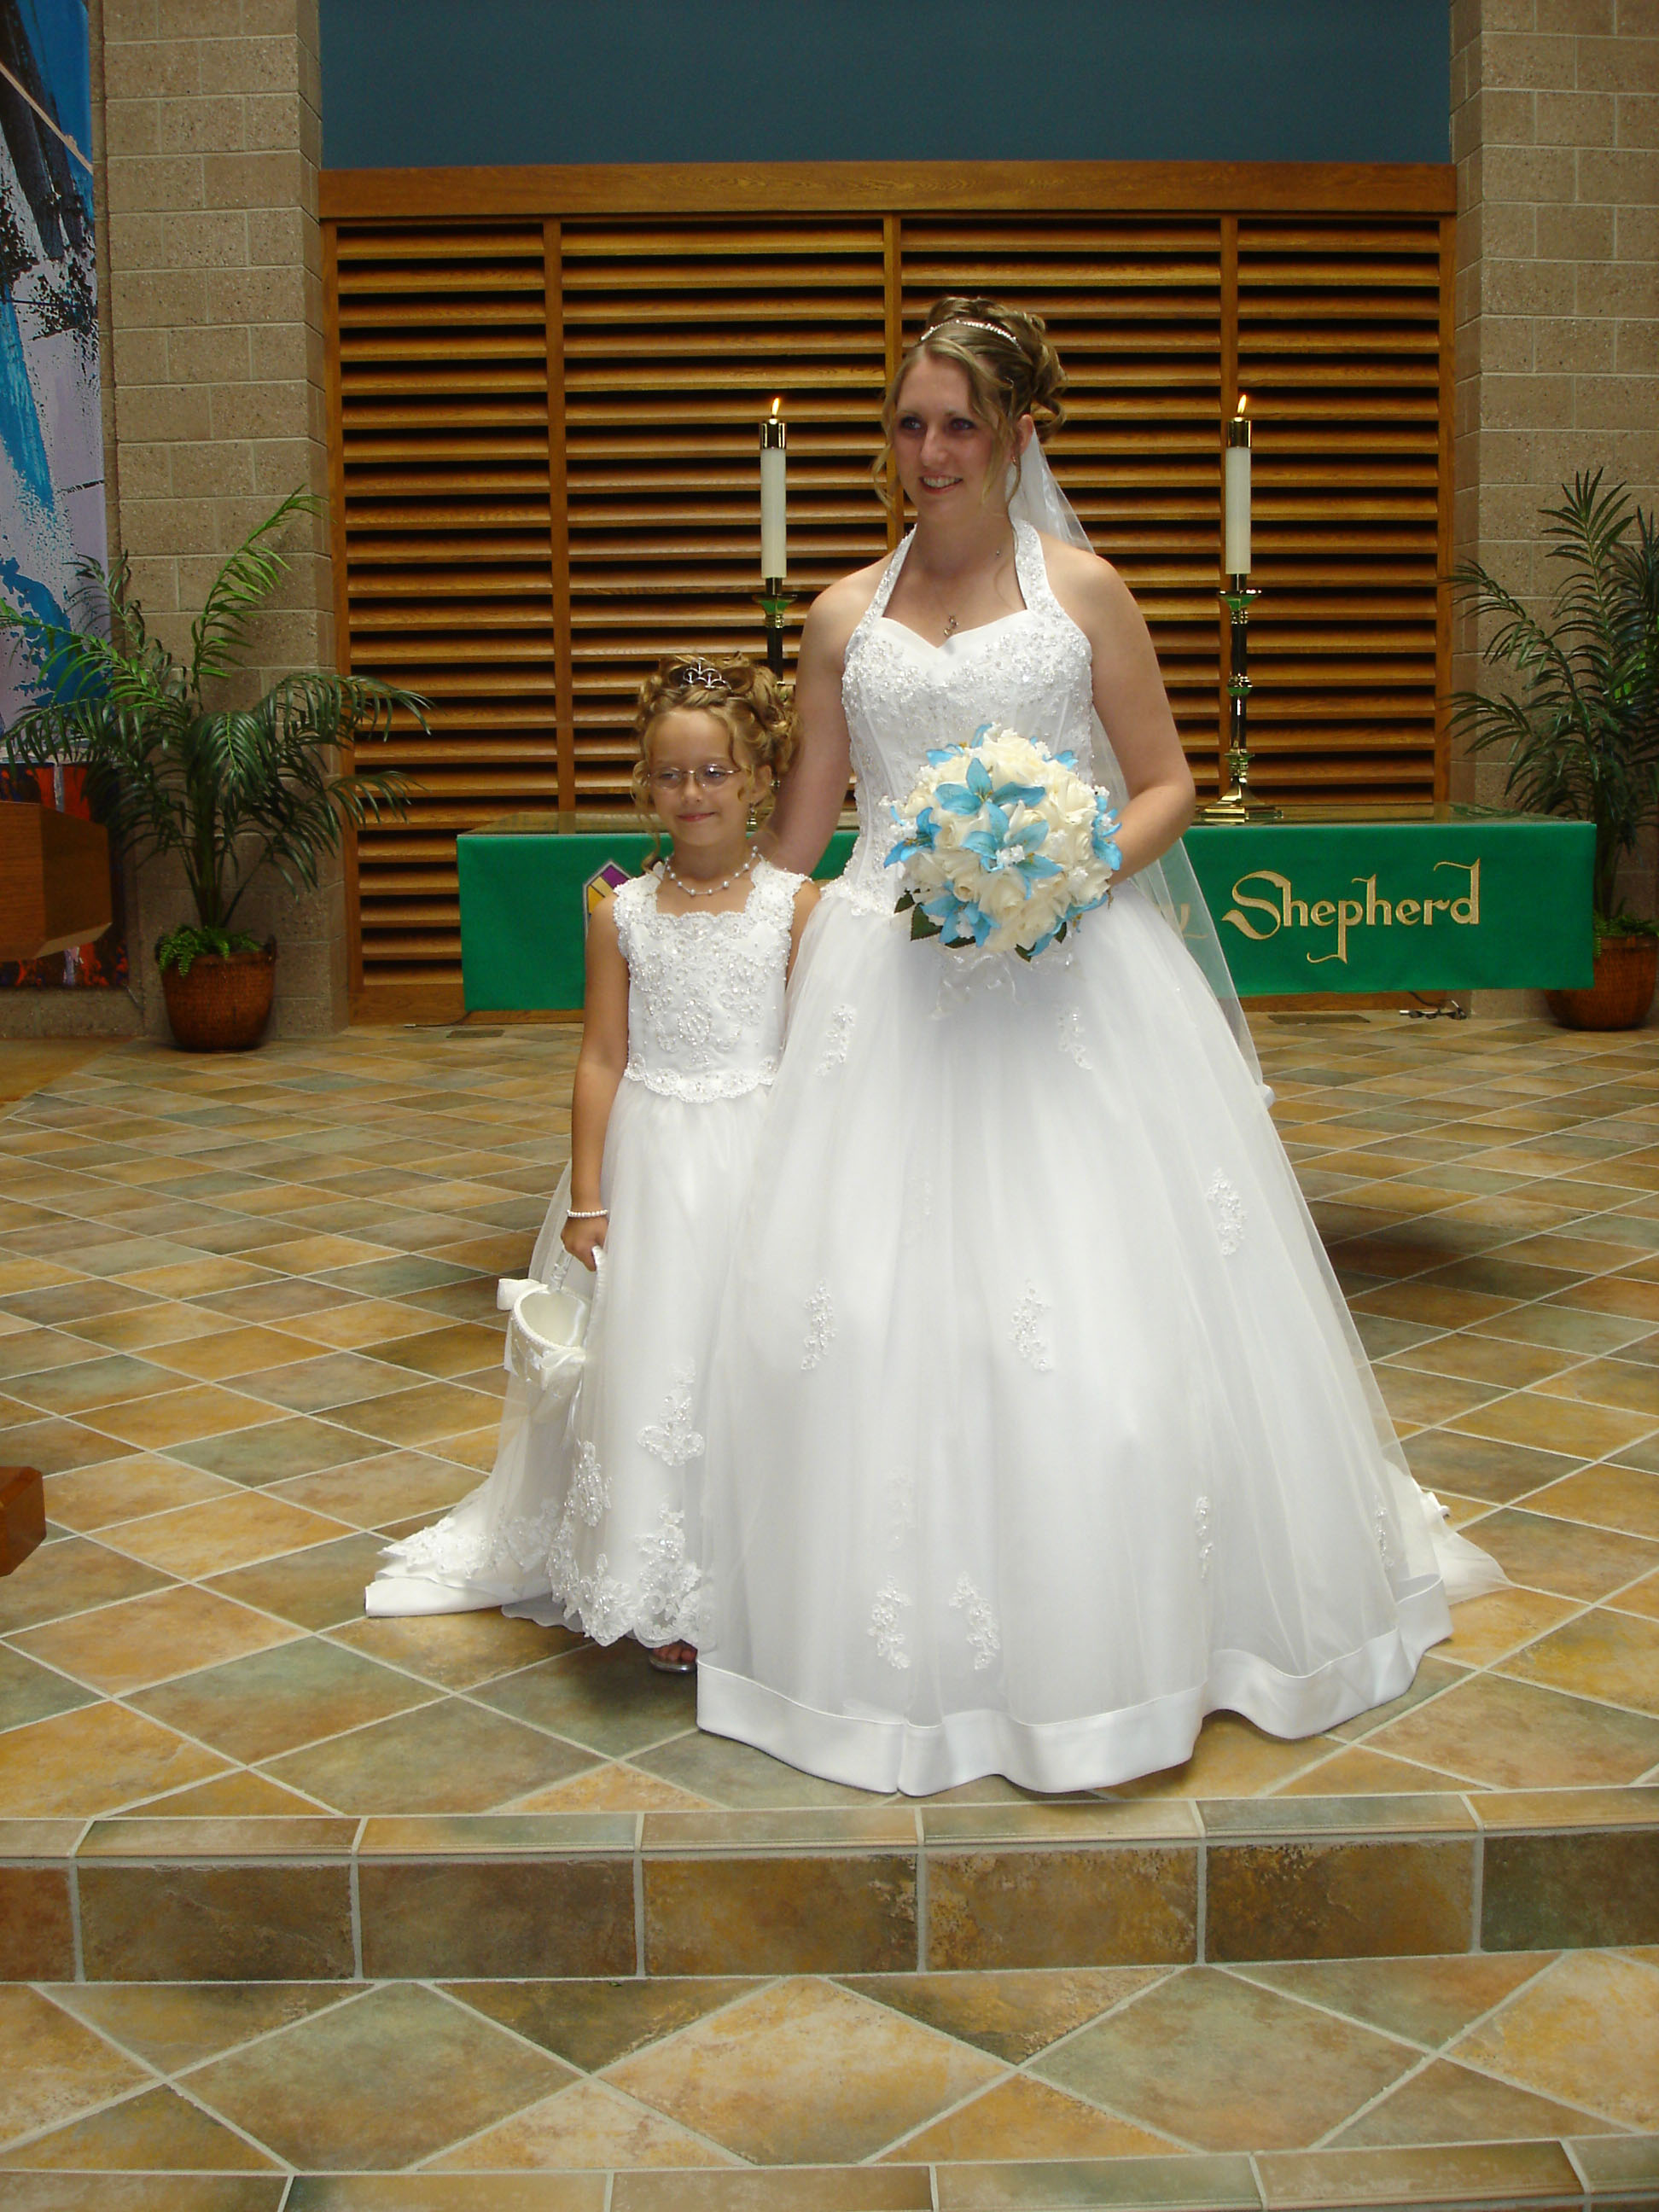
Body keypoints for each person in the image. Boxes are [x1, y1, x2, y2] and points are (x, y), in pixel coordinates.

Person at [695, 296, 1501, 1791]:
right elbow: (803, 834)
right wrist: (692, 898)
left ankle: (1134, 1629)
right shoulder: (839, 615)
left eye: (958, 423)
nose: (929, 450)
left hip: (1068, 971)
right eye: (908, 423)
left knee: (1093, 1306)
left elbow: (1165, 784)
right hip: (888, 981)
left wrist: (1062, 879)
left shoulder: (1083, 591)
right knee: (859, 1304)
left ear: (1017, 435)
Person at [366, 655, 816, 1669]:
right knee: (655, 1364)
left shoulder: (796, 906)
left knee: (749, 1361)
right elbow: (602, 1056)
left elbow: (810, 1055)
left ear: (757, 779)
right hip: (653, 1163)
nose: (692, 793)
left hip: (757, 1154)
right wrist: (587, 1194)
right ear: (644, 785)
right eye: (671, 775)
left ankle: (755, 1580)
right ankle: (662, 1588)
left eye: (714, 772)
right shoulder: (622, 914)